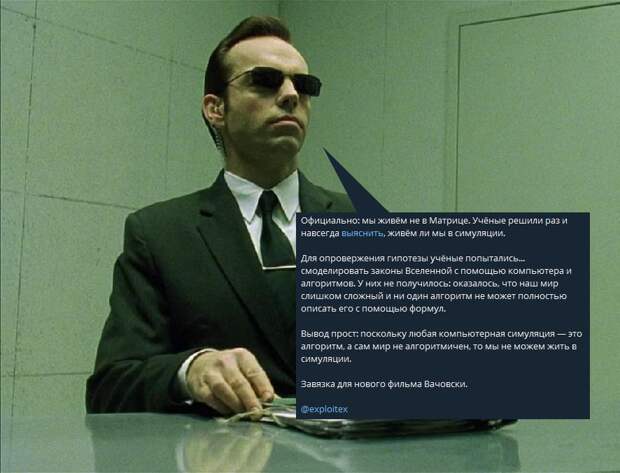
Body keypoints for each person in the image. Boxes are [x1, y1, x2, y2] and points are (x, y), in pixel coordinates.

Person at [86, 16, 354, 417]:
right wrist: (190, 370)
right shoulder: (159, 234)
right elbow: (111, 387)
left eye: (303, 85)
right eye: (265, 81)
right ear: (216, 109)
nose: (290, 95)